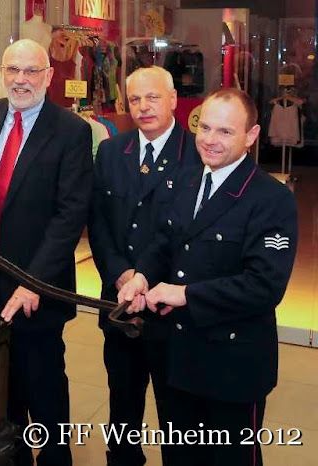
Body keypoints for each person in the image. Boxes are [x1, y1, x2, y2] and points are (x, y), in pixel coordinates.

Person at [118, 88, 298, 466]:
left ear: (251, 136)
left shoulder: (271, 199)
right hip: (179, 358)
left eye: (226, 132)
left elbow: (264, 286)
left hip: (233, 366)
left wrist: (186, 294)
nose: (211, 141)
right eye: (206, 128)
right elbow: (166, 241)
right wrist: (142, 277)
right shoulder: (184, 180)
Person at [0, 39, 93, 466]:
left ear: (49, 76)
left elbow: (69, 219)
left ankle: (54, 456)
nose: (21, 80)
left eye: (32, 71)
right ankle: (8, 455)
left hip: (37, 283)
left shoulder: (71, 131)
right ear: (2, 72)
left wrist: (33, 283)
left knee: (41, 378)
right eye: (14, 70)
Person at [88, 65, 200, 466]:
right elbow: (97, 221)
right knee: (122, 402)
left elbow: (187, 235)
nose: (143, 106)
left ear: (173, 100)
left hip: (167, 305)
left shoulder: (197, 155)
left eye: (153, 97)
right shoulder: (112, 151)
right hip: (118, 304)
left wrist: (145, 280)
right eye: (135, 99)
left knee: (176, 414)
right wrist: (119, 274)